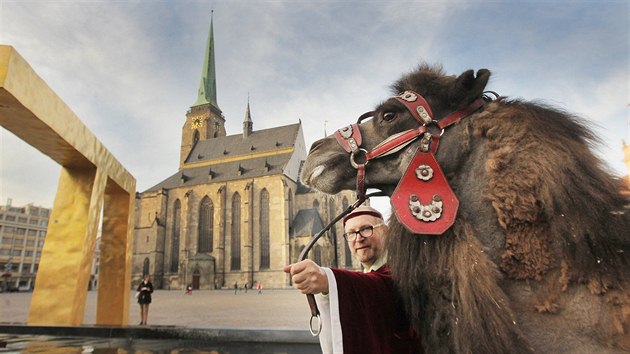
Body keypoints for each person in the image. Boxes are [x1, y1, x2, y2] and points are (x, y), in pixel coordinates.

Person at [284, 206, 422, 354]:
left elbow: (383, 286)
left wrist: (328, 279)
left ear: (385, 232)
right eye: (351, 233)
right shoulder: (367, 275)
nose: (358, 238)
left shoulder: (403, 269)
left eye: (366, 229)